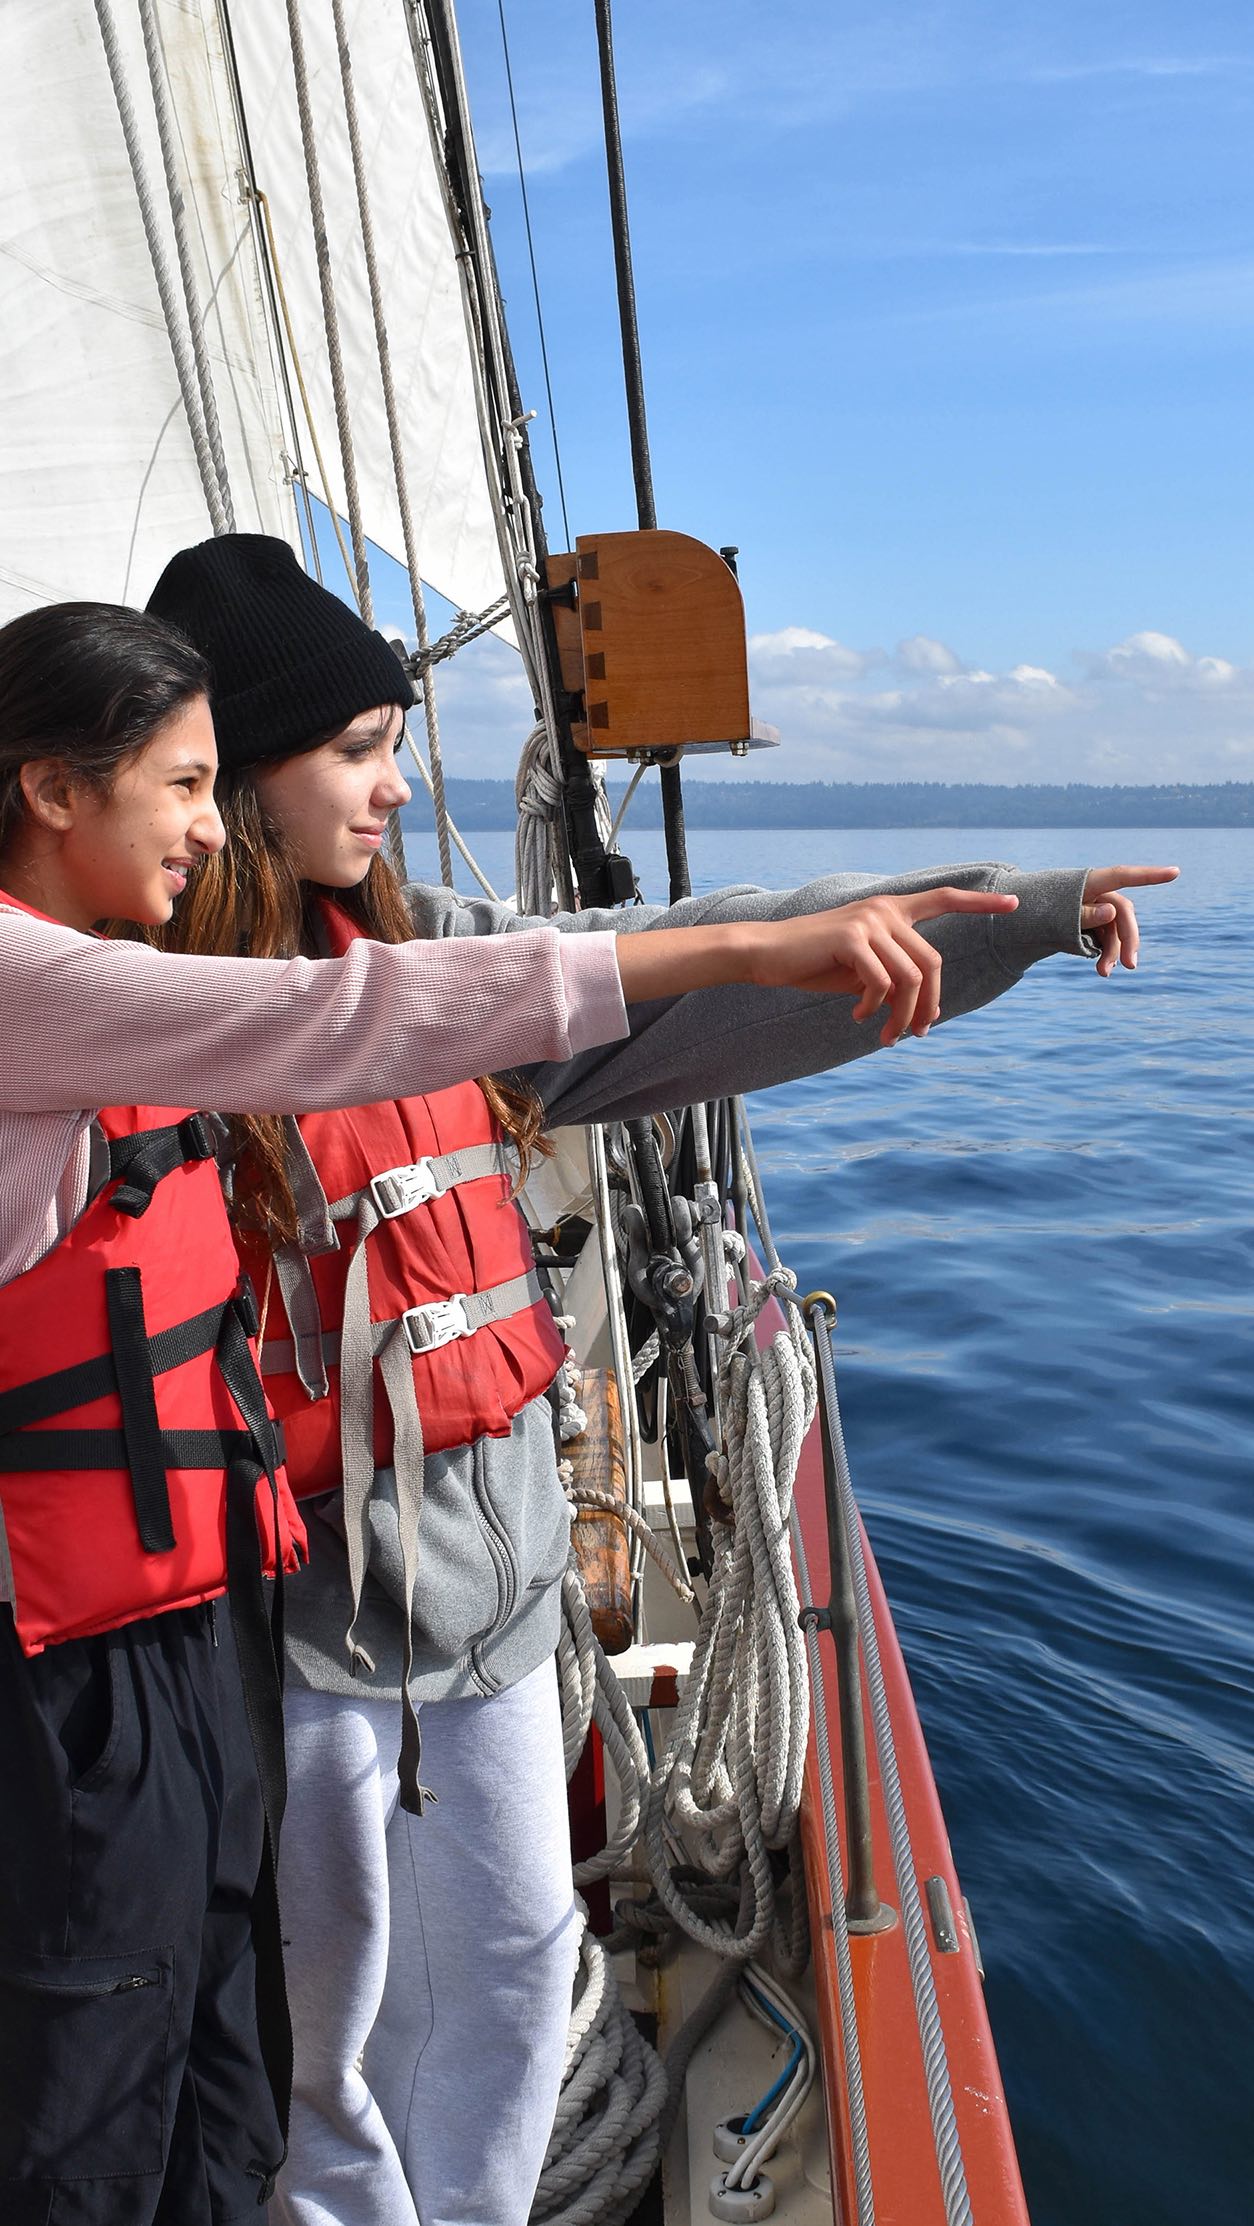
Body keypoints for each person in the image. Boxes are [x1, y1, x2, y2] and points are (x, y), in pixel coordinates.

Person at [145, 533, 1178, 2226]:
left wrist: (1024, 918)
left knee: (505, 1973)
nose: (396, 791)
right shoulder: (168, 1027)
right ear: (236, 776)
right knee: (313, 2034)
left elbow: (706, 961)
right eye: (355, 752)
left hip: (489, 1607)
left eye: (397, 748)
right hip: (302, 1637)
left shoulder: (455, 970)